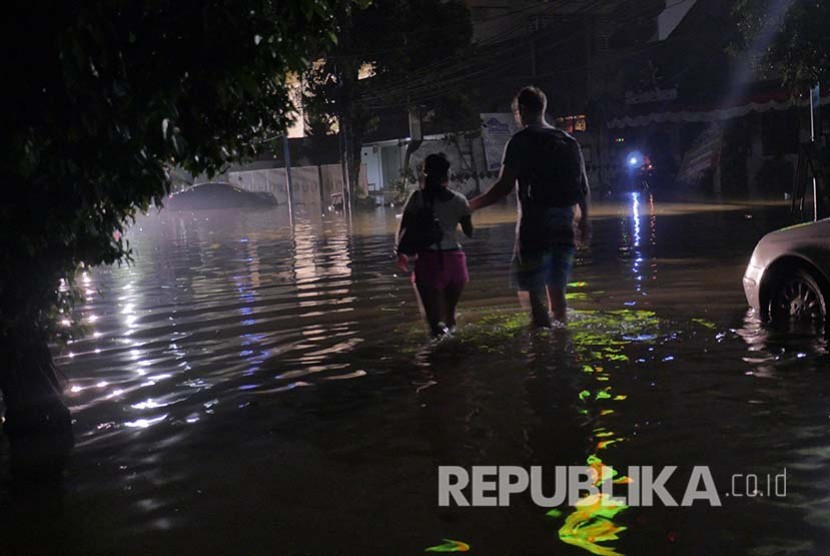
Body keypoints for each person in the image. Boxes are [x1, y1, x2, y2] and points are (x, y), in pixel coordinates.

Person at [470, 86, 591, 327]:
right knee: (558, 300)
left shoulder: (520, 141)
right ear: (543, 109)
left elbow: (502, 188)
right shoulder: (568, 141)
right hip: (564, 225)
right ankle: (561, 348)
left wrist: (470, 206)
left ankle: (541, 354)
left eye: (516, 112)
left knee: (530, 293)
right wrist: (584, 220)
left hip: (535, 226)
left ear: (522, 111)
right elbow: (583, 186)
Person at [396, 154, 473, 337]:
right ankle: (456, 358)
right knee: (450, 318)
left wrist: (401, 252)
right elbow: (470, 232)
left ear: (425, 173)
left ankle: (436, 360)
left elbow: (404, 230)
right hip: (456, 263)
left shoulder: (417, 198)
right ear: (447, 174)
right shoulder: (460, 200)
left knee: (434, 325)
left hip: (430, 262)